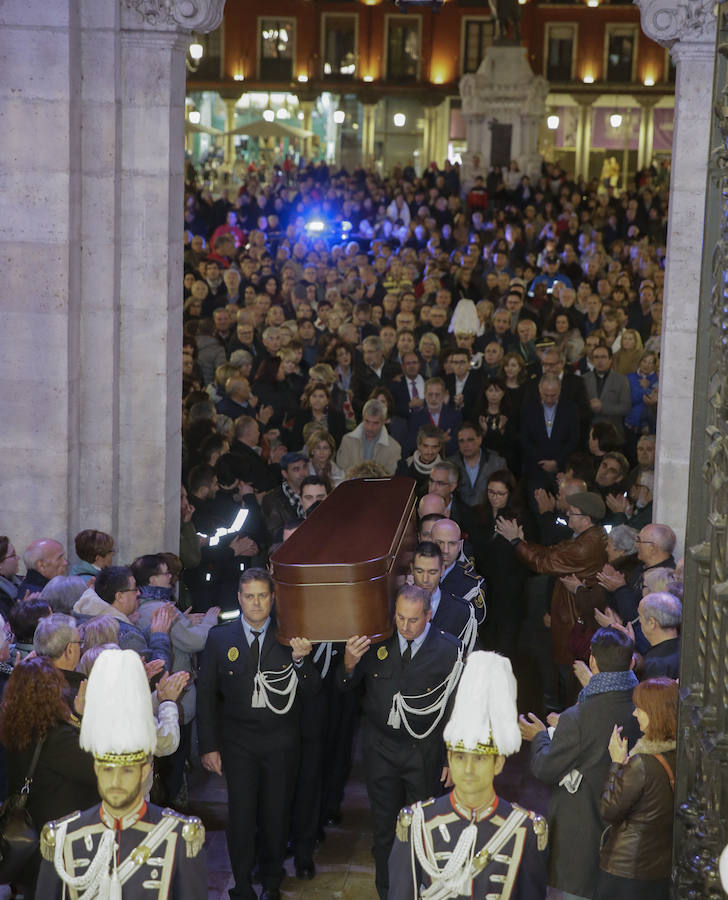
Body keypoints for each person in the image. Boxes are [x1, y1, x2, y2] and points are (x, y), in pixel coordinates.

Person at [37, 648, 207, 899]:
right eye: (108, 769)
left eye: (127, 770)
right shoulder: (61, 838)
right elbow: (166, 740)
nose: (116, 779)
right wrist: (167, 703)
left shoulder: (179, 835)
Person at [196, 569, 319, 900]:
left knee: (276, 814)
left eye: (262, 595)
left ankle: (272, 882)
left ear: (273, 598)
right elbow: (206, 695)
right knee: (241, 814)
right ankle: (242, 884)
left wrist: (300, 661)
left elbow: (313, 692)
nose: (256, 603)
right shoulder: (220, 638)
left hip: (281, 742)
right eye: (249, 596)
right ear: (239, 598)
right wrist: (208, 746)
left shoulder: (291, 634)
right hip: (238, 743)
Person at [337, 585, 464, 899]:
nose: (405, 627)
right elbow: (344, 689)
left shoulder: (449, 650)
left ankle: (420, 889)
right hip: (381, 750)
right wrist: (349, 665)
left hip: (424, 753)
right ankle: (388, 891)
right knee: (383, 829)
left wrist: (452, 756)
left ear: (428, 616)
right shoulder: (377, 641)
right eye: (400, 618)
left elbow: (455, 708)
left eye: (413, 620)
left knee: (422, 829)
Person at [388, 652, 548, 900]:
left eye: (480, 758)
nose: (468, 769)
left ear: (499, 763)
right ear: (449, 760)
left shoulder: (525, 830)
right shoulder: (417, 823)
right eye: (460, 757)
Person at [520, 627, 642, 900]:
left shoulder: (578, 717)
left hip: (583, 832)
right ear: (630, 662)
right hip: (628, 829)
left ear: (593, 662)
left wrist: (539, 737)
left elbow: (545, 768)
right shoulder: (640, 702)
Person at [497, 492, 608, 706]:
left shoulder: (585, 546)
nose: (567, 514)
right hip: (571, 614)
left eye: (572, 513)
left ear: (586, 519)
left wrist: (515, 542)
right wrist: (523, 542)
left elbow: (545, 563)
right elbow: (552, 553)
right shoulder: (588, 538)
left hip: (574, 619)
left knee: (569, 676)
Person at [0, 656, 98, 895]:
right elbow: (96, 770)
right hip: (61, 845)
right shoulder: (57, 738)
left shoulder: (14, 729)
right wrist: (82, 717)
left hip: (32, 835)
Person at [595, 677, 678, 900]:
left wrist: (615, 764)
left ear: (655, 714)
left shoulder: (641, 764)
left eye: (639, 708)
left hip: (626, 872)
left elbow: (608, 810)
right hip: (658, 871)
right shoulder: (678, 757)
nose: (634, 713)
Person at [472, 469, 530, 659]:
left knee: (505, 650)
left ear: (510, 494)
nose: (494, 497)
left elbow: (528, 559)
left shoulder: (520, 519)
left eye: (500, 493)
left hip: (509, 596)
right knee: (485, 647)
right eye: (491, 492)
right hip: (485, 592)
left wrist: (519, 541)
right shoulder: (480, 515)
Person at [336, 398, 402, 476]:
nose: (370, 427)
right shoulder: (347, 440)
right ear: (362, 418)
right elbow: (342, 472)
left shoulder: (394, 448)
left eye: (375, 423)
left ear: (384, 422)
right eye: (367, 421)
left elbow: (390, 479)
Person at [636, 592, 681, 680]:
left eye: (640, 616)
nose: (639, 621)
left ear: (651, 623)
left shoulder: (653, 665)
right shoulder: (689, 648)